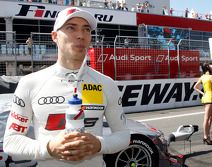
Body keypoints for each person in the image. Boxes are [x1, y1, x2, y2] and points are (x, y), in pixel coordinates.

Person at [3, 7, 130, 167]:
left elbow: (123, 135)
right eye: (71, 28)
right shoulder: (30, 83)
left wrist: (99, 144)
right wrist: (49, 148)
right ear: (55, 36)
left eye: (86, 30)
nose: (80, 35)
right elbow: (11, 141)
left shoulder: (106, 83)